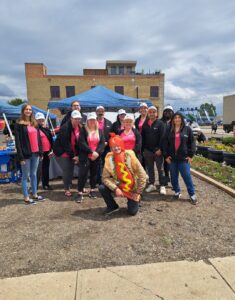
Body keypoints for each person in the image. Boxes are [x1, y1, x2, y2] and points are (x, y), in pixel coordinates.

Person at [99, 133, 147, 216]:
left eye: (118, 145)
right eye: (113, 147)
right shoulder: (109, 158)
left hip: (133, 187)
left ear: (121, 145)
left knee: (132, 212)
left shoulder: (130, 156)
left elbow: (142, 175)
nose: (116, 148)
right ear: (111, 148)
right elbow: (105, 178)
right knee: (102, 188)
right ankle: (112, 206)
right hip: (118, 185)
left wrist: (138, 192)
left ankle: (137, 199)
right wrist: (115, 189)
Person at [163, 112, 197, 204]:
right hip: (172, 159)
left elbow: (192, 143)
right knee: (173, 177)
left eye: (179, 117)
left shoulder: (187, 129)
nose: (177, 119)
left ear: (181, 119)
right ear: (173, 120)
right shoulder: (169, 130)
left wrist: (190, 155)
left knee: (187, 177)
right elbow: (165, 144)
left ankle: (192, 194)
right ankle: (177, 192)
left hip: (183, 159)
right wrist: (166, 156)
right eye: (175, 118)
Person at [14, 104, 44, 204]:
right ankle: (26, 197)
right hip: (26, 154)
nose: (28, 111)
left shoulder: (34, 123)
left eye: (30, 109)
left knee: (34, 174)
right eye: (26, 109)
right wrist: (21, 157)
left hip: (35, 153)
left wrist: (40, 152)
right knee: (25, 176)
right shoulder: (19, 124)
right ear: (23, 111)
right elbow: (18, 142)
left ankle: (35, 194)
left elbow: (39, 139)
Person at [76, 112, 105, 203]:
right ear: (87, 121)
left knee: (94, 174)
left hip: (96, 157)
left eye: (93, 119)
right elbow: (82, 143)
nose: (92, 121)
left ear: (96, 120)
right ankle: (80, 192)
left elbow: (102, 144)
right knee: (82, 175)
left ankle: (92, 190)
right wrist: (91, 152)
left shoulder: (99, 131)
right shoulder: (83, 130)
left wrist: (97, 153)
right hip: (85, 156)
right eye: (90, 120)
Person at [53, 110, 81, 197]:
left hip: (72, 151)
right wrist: (74, 156)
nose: (77, 120)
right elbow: (66, 144)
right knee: (67, 170)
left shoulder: (79, 127)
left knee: (71, 169)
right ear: (71, 118)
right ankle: (66, 189)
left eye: (78, 119)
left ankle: (69, 184)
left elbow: (78, 141)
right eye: (75, 119)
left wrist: (77, 154)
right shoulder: (65, 127)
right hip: (63, 152)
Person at [142, 106, 166, 194]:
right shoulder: (145, 124)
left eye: (153, 112)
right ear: (148, 113)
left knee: (160, 169)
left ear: (156, 113)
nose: (152, 114)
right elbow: (143, 137)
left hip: (158, 151)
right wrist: (143, 149)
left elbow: (163, 138)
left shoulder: (160, 123)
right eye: (150, 112)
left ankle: (162, 185)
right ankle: (152, 184)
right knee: (150, 168)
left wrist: (160, 149)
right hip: (148, 151)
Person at [35, 112, 54, 190]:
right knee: (38, 170)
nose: (41, 121)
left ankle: (46, 184)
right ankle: (35, 186)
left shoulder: (46, 129)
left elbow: (51, 140)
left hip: (47, 152)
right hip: (39, 153)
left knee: (46, 169)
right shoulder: (35, 130)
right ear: (36, 121)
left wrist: (51, 150)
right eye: (39, 120)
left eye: (42, 120)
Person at [96, 105, 112, 184]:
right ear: (96, 112)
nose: (100, 113)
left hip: (106, 147)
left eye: (102, 111)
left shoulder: (109, 122)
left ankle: (106, 179)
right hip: (96, 147)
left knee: (106, 163)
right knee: (98, 163)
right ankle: (98, 180)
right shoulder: (92, 121)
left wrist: (107, 142)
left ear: (104, 112)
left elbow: (111, 135)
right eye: (99, 111)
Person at [160, 105, 174, 185]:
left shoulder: (175, 121)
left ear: (172, 112)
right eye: (166, 111)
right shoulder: (160, 121)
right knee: (162, 165)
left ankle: (172, 179)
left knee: (171, 164)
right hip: (161, 146)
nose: (167, 112)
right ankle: (165, 178)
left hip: (171, 147)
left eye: (169, 111)